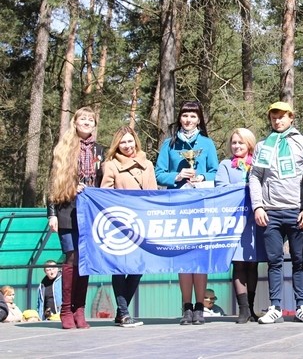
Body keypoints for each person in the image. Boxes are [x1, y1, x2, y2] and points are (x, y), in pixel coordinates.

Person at [249, 101, 303, 324]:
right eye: (273, 117)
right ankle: (275, 306)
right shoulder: (262, 145)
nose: (277, 121)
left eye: (281, 116)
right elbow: (255, 176)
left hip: (297, 210)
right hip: (270, 212)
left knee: (300, 260)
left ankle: (301, 306)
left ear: (291, 117)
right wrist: (258, 205)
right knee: (274, 261)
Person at [155, 100, 219, 325]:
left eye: (193, 116)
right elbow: (158, 173)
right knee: (183, 257)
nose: (188, 120)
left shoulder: (207, 144)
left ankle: (200, 306)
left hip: (202, 206)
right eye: (185, 116)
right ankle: (186, 306)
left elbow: (216, 172)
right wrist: (177, 176)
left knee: (200, 257)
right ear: (179, 118)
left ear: (199, 119)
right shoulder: (169, 144)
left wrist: (202, 177)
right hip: (178, 205)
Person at [46, 106, 104, 330]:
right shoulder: (63, 147)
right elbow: (52, 182)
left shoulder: (100, 150)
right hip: (66, 210)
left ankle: (80, 309)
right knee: (71, 257)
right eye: (83, 119)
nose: (87, 122)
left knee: (84, 261)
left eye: (91, 119)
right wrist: (51, 213)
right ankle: (66, 309)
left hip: (90, 213)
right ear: (75, 122)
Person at [100, 125, 156, 327]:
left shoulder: (147, 164)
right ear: (117, 144)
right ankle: (123, 313)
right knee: (119, 268)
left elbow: (153, 193)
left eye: (130, 141)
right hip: (120, 222)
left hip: (142, 222)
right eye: (122, 142)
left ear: (135, 141)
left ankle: (120, 312)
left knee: (137, 268)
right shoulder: (110, 165)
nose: (127, 145)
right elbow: (104, 193)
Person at [215, 128, 263, 323]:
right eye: (234, 143)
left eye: (241, 143)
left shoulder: (258, 164)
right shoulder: (226, 165)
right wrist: (246, 187)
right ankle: (242, 308)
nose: (236, 146)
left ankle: (251, 308)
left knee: (253, 263)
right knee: (239, 263)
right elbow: (221, 188)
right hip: (234, 221)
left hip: (255, 219)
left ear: (249, 145)